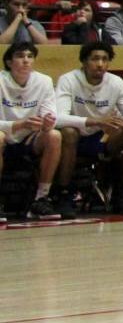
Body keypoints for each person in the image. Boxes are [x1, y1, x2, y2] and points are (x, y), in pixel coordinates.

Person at [54, 40, 123, 214]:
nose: (100, 64)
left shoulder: (116, 82)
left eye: (105, 59)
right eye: (95, 59)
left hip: (105, 138)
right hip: (76, 137)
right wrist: (96, 121)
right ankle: (63, 193)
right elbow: (58, 118)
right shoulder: (68, 79)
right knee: (68, 132)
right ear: (84, 61)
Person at [2, 41, 68, 219]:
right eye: (20, 56)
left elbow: (50, 113)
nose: (26, 60)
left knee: (54, 135)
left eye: (30, 57)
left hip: (30, 138)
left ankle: (41, 198)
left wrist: (48, 122)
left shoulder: (44, 81)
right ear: (9, 62)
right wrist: (19, 124)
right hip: (6, 134)